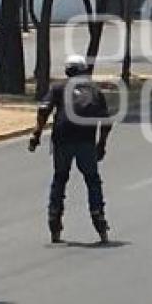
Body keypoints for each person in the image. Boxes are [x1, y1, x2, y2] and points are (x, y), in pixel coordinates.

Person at [28, 55, 113, 244]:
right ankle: (98, 214)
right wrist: (102, 144)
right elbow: (106, 121)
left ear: (67, 71)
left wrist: (36, 134)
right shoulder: (94, 90)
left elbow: (43, 110)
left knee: (60, 178)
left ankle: (54, 217)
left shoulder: (58, 87)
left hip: (62, 138)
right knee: (92, 180)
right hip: (86, 140)